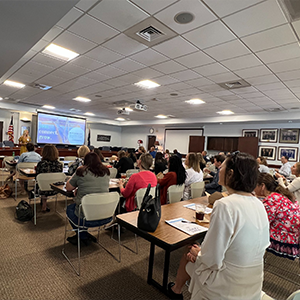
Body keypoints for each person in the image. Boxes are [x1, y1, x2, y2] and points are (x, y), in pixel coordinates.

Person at [168, 152, 269, 300]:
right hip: (252, 282)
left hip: (226, 285)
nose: (219, 170)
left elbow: (211, 259)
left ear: (230, 174)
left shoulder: (225, 205)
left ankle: (176, 290)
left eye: (222, 167)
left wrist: (198, 253)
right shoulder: (258, 204)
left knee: (190, 250)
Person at [65, 152, 110, 245]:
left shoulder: (81, 171)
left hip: (86, 218)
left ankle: (83, 236)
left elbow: (68, 188)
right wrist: (80, 188)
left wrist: (75, 178)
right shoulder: (106, 172)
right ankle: (84, 235)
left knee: (70, 209)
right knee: (85, 207)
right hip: (106, 216)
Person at [255, 173, 300, 260]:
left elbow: (262, 223)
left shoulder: (271, 200)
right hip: (294, 236)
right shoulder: (281, 195)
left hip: (286, 239)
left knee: (251, 232)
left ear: (262, 186)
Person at [36, 144, 63, 212]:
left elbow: (37, 177)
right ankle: (44, 203)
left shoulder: (41, 164)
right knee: (48, 183)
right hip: (55, 189)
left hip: (41, 189)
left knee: (42, 183)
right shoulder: (59, 165)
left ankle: (43, 203)